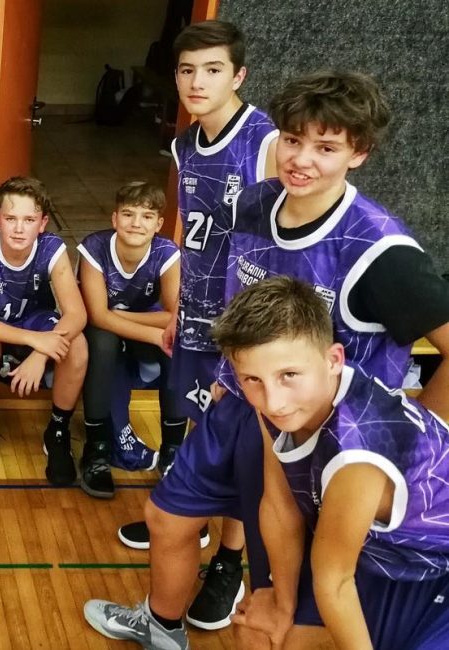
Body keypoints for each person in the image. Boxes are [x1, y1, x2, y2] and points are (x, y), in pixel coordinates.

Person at [85, 70, 449, 648]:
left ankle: (235, 580)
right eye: (293, 140)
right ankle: (161, 626)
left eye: (326, 147)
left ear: (358, 153)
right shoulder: (255, 203)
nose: (301, 159)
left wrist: (412, 444)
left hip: (324, 446)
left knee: (280, 607)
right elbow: (244, 300)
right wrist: (229, 376)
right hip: (246, 404)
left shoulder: (382, 252)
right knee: (166, 517)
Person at [112, 19, 280, 626]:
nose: (196, 82)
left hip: (248, 328)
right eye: (187, 70)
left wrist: (258, 337)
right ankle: (190, 519)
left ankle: (230, 561)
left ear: (239, 75)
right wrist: (180, 307)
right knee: (197, 420)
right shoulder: (185, 144)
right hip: (197, 313)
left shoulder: (266, 142)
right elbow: (195, 233)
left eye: (212, 70)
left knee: (239, 442)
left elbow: (281, 241)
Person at [219, 277, 449, 649]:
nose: (273, 401)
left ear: (334, 360)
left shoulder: (358, 455)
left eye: (288, 375)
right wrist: (282, 605)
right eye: (252, 379)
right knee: (261, 633)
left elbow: (335, 582)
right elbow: (279, 505)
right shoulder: (283, 403)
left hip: (435, 571)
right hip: (383, 556)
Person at [0, 176, 87, 485]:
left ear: (42, 223)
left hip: (36, 320)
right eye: (11, 218)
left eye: (29, 220)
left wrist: (40, 355)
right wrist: (36, 342)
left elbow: (77, 313)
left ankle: (58, 430)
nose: (19, 228)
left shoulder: (51, 247)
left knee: (78, 346)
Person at [76, 181, 182, 499]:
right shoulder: (95, 247)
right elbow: (97, 317)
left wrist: (119, 317)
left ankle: (173, 450)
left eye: (147, 216)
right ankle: (97, 448)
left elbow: (172, 314)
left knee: (177, 343)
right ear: (114, 218)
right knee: (103, 341)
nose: (136, 223)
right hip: (106, 331)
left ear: (159, 224)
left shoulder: (166, 252)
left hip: (134, 322)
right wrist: (153, 333)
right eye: (128, 214)